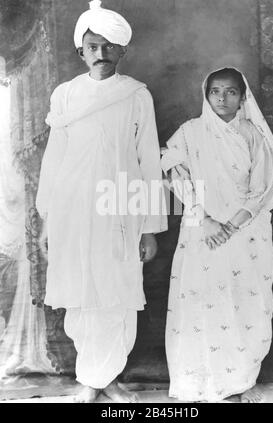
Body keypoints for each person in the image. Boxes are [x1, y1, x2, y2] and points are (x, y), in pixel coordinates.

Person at [36, 0, 167, 403]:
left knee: (117, 293)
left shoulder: (135, 95)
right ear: (80, 52)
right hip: (72, 209)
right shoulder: (66, 95)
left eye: (109, 46)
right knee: (80, 295)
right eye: (92, 47)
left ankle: (108, 378)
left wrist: (149, 226)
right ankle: (89, 379)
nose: (101, 54)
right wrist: (47, 220)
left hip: (120, 208)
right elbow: (54, 158)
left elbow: (148, 159)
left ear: (123, 50)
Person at [161, 67, 273, 403]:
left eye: (231, 92)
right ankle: (199, 381)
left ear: (242, 97)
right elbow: (174, 171)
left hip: (245, 231)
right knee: (202, 300)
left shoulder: (252, 133)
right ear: (206, 94)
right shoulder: (191, 131)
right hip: (202, 229)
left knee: (246, 300)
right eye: (215, 91)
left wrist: (231, 224)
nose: (222, 98)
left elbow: (263, 186)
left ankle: (238, 379)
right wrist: (205, 220)